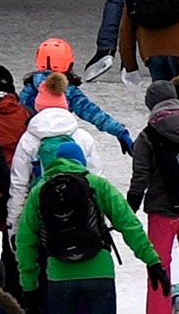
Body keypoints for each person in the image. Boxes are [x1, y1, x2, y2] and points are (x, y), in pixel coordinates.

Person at [13, 133, 165, 314]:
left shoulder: (39, 191)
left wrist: (29, 285)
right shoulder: (97, 185)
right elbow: (129, 224)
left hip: (59, 275)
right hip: (99, 272)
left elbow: (25, 241)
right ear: (81, 161)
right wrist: (152, 261)